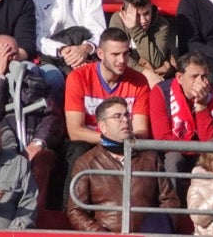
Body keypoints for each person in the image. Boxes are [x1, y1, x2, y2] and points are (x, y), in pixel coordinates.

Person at [65, 97, 180, 233]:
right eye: (117, 116)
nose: (125, 120)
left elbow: (169, 201)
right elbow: (76, 211)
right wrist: (102, 235)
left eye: (127, 115)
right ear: (103, 126)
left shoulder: (150, 158)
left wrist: (157, 229)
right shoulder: (86, 163)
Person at [63, 27, 150, 167]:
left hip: (125, 143)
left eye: (126, 53)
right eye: (115, 54)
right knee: (77, 150)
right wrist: (111, 140)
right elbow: (75, 131)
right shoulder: (78, 78)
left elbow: (141, 131)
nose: (122, 60)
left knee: (148, 156)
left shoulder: (139, 81)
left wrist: (119, 141)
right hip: (90, 143)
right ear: (100, 54)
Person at [30, 0, 105, 91]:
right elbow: (38, 37)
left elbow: (99, 30)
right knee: (54, 79)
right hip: (51, 58)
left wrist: (85, 48)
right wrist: (63, 51)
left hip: (87, 54)